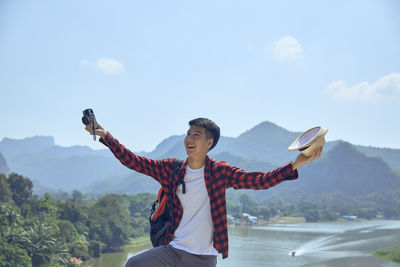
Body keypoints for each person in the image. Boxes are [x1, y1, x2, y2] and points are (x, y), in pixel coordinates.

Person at [85, 118, 322, 267]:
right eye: (188, 134)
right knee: (134, 264)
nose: (189, 138)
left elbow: (260, 181)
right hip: (172, 250)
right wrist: (106, 136)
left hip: (203, 259)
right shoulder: (171, 169)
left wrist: (296, 164)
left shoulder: (220, 172)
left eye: (196, 135)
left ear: (209, 143)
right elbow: (134, 161)